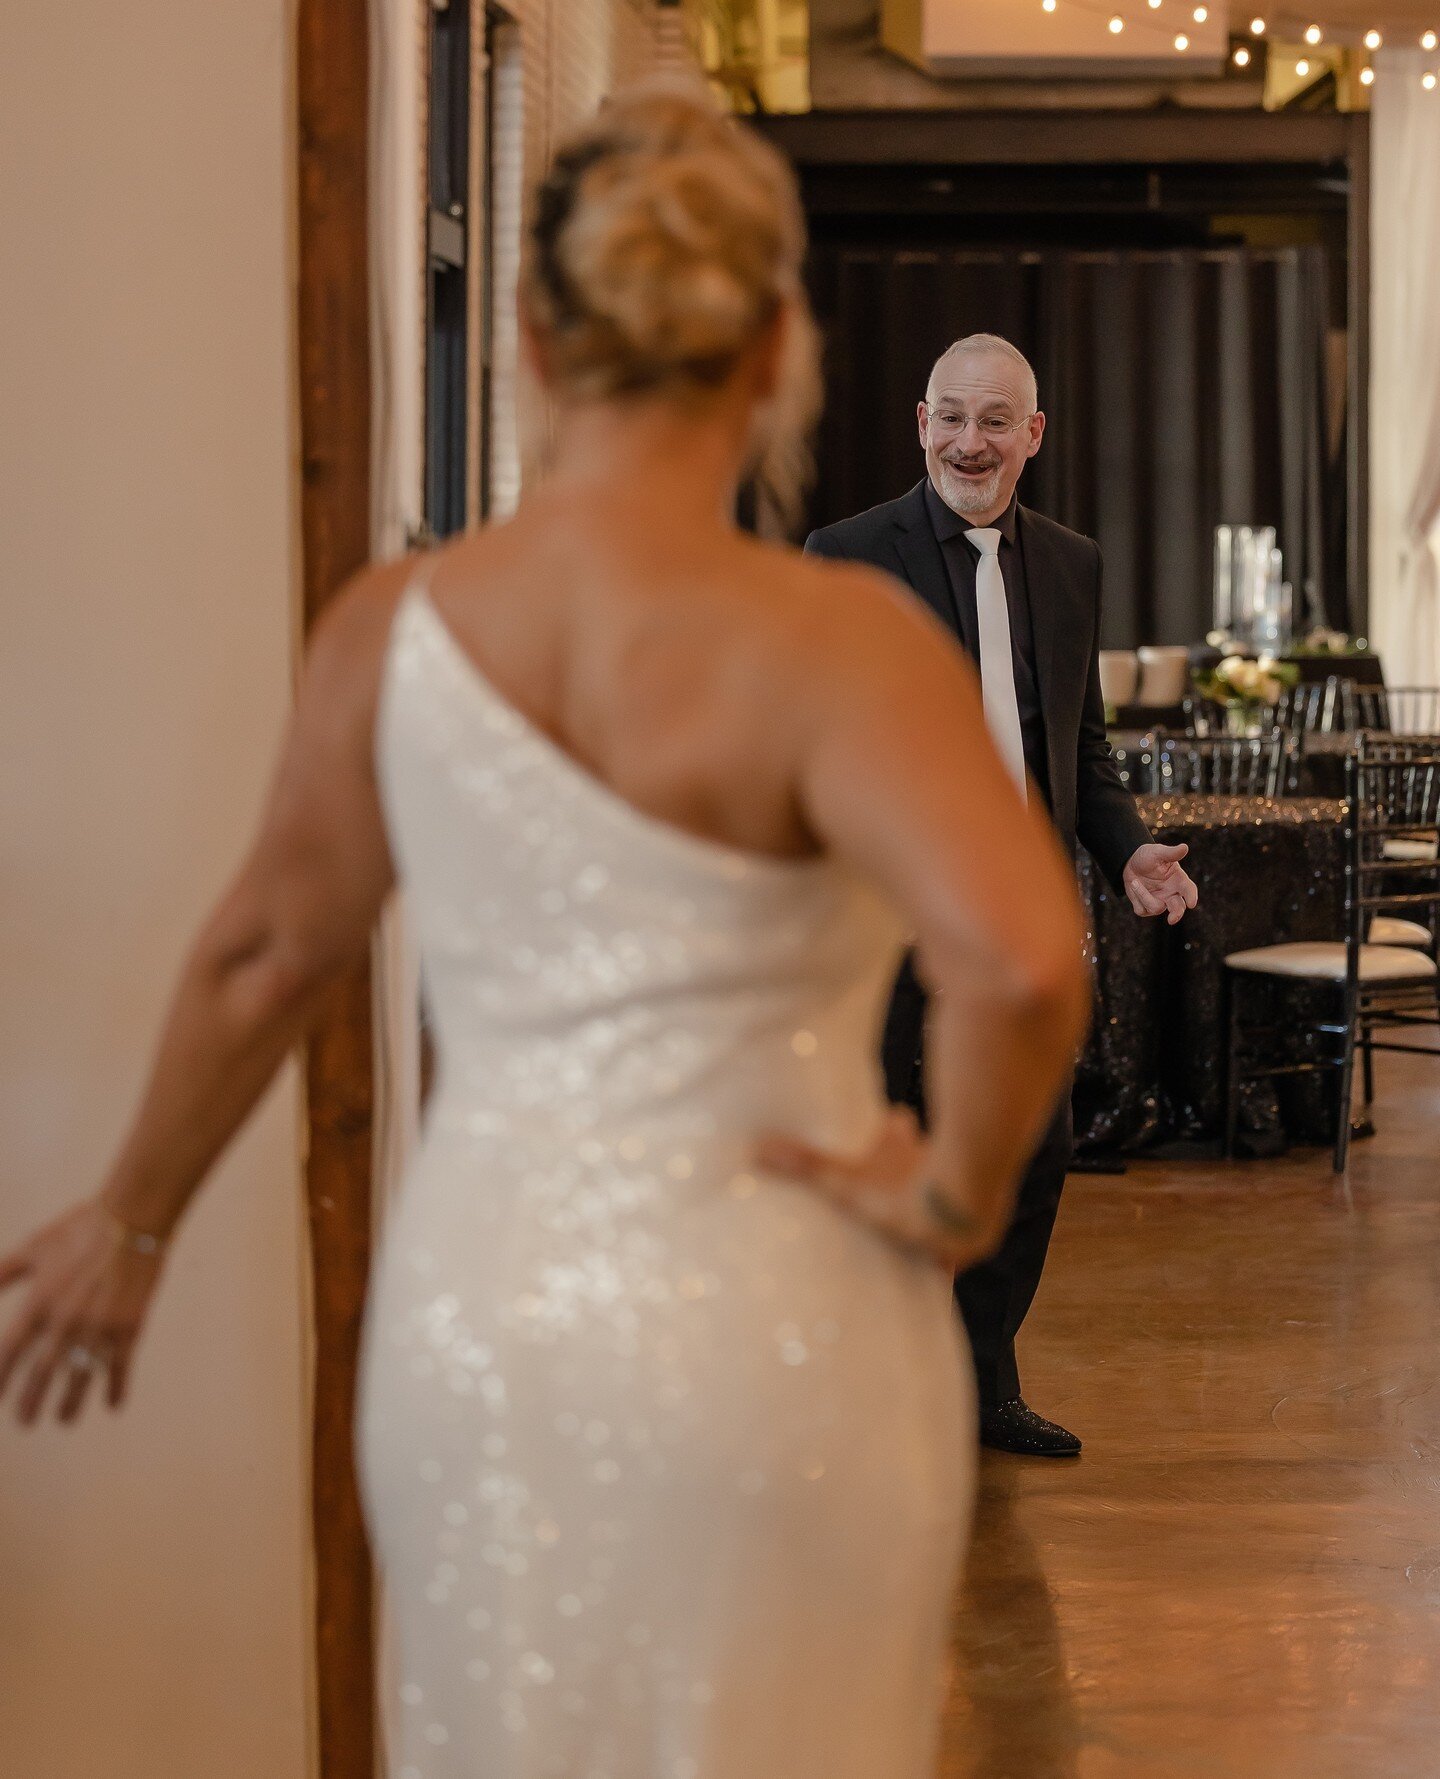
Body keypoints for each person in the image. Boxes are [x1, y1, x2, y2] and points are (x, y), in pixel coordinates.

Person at [0, 91, 1088, 1779]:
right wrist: (948, 1193)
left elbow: (262, 955)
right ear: (779, 343)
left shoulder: (396, 626)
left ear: (527, 334)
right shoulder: (842, 640)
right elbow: (1022, 959)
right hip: (788, 1328)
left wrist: (130, 1222)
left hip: (492, 1322)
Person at [805, 334, 1197, 1459]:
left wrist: (1124, 851)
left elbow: (1080, 744)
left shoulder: (1070, 563)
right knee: (894, 1148)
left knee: (1035, 1150)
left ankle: (983, 1387)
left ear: (1033, 435)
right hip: (889, 921)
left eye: (996, 423)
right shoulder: (846, 555)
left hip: (1021, 919)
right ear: (920, 423)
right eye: (953, 418)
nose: (970, 443)